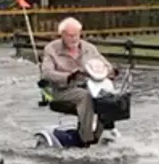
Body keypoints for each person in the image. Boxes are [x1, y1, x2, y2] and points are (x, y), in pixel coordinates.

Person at [40, 17, 116, 145]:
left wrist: (110, 72)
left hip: (90, 87)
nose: (74, 38)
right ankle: (85, 138)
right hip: (63, 90)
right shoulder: (51, 49)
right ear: (62, 34)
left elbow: (106, 66)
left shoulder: (89, 48)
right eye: (70, 36)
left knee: (108, 96)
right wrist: (68, 76)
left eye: (77, 35)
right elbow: (46, 73)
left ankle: (99, 133)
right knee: (85, 97)